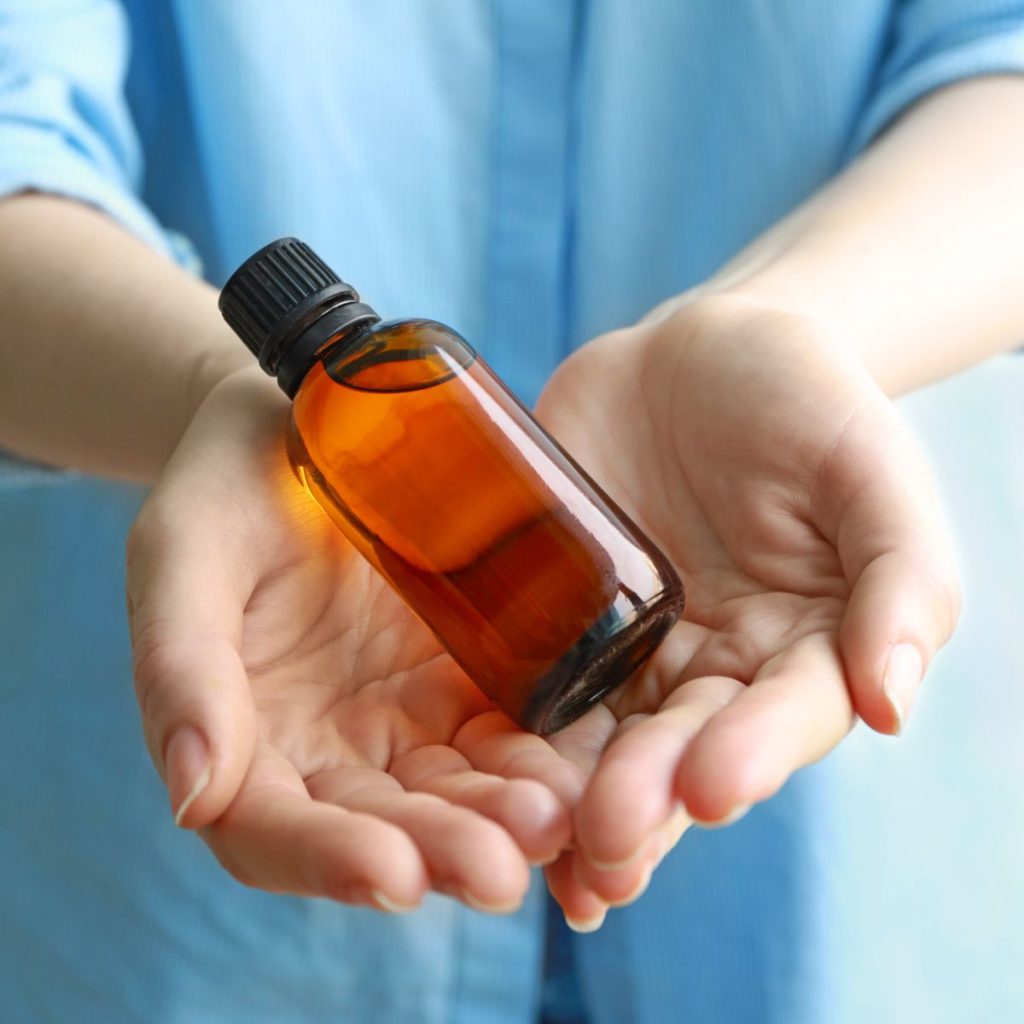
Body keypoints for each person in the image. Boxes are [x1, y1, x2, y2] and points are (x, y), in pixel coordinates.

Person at [1, 2, 1022, 1020]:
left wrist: (784, 324)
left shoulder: (395, 370)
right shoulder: (337, 414)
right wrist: (205, 395)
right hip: (195, 939)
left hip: (827, 907)